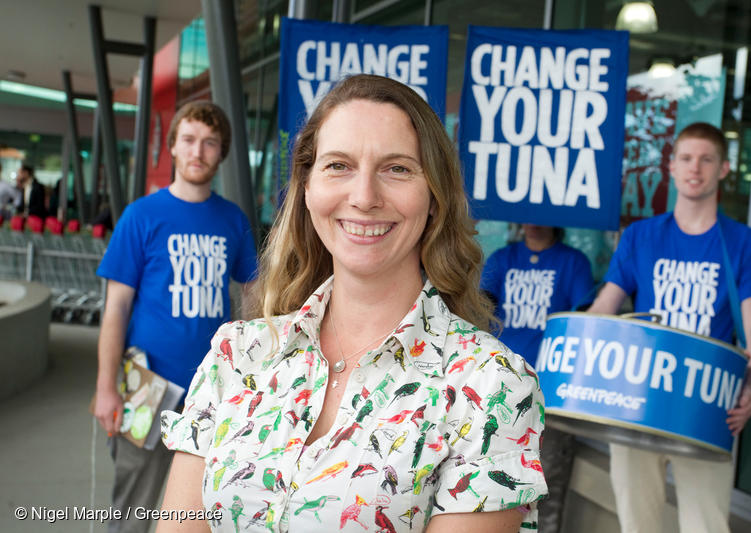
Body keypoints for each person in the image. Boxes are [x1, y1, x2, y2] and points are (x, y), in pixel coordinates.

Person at [158, 74, 548, 533]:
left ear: (435, 198)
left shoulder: (489, 387)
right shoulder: (237, 355)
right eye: (338, 165)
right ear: (306, 189)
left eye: (397, 168)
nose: (364, 197)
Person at [587, 122, 751, 533]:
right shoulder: (640, 236)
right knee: (637, 524)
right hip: (639, 400)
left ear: (724, 168)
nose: (696, 168)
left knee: (705, 525)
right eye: (686, 159)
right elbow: (606, 305)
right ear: (671, 168)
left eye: (707, 159)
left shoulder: (746, 244)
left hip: (707, 403)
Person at [93, 101, 259, 533]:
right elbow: (115, 309)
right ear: (172, 147)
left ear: (221, 153)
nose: (197, 151)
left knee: (196, 514)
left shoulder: (232, 221)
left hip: (211, 393)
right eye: (188, 140)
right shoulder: (141, 217)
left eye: (210, 143)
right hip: (144, 387)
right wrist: (105, 387)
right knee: (134, 508)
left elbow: (254, 300)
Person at [481, 224, 594, 533]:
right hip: (500, 386)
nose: (534, 220)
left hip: (551, 392)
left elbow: (584, 319)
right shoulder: (503, 258)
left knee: (548, 484)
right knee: (494, 482)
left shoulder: (573, 262)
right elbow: (479, 307)